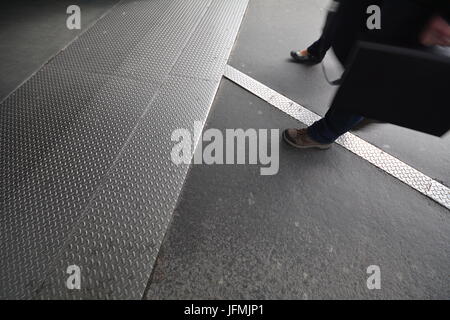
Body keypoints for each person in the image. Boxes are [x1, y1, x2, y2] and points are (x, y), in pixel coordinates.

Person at [284, 0, 450, 149]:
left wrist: (446, 16)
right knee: (345, 21)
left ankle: (324, 134)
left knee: (370, 77)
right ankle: (317, 51)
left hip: (411, 13)